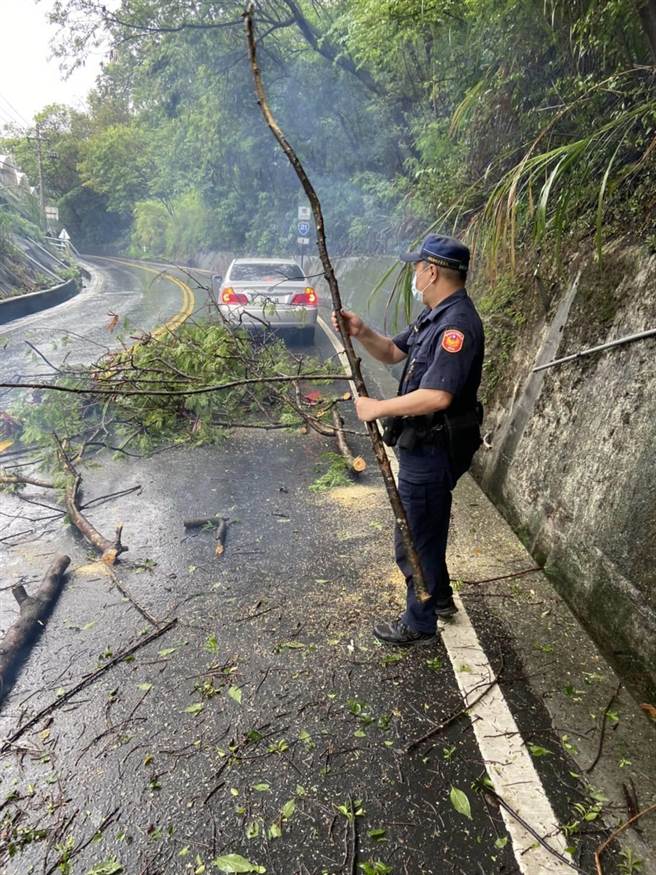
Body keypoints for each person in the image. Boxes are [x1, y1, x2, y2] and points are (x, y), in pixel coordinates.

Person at [331, 234, 484, 646]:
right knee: (426, 530)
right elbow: (393, 353)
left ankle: (418, 624)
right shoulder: (434, 315)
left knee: (414, 538)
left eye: (418, 267)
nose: (415, 273)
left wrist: (378, 408)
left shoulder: (457, 325)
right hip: (422, 446)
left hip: (433, 449)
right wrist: (361, 330)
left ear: (432, 271)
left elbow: (439, 395)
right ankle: (442, 599)